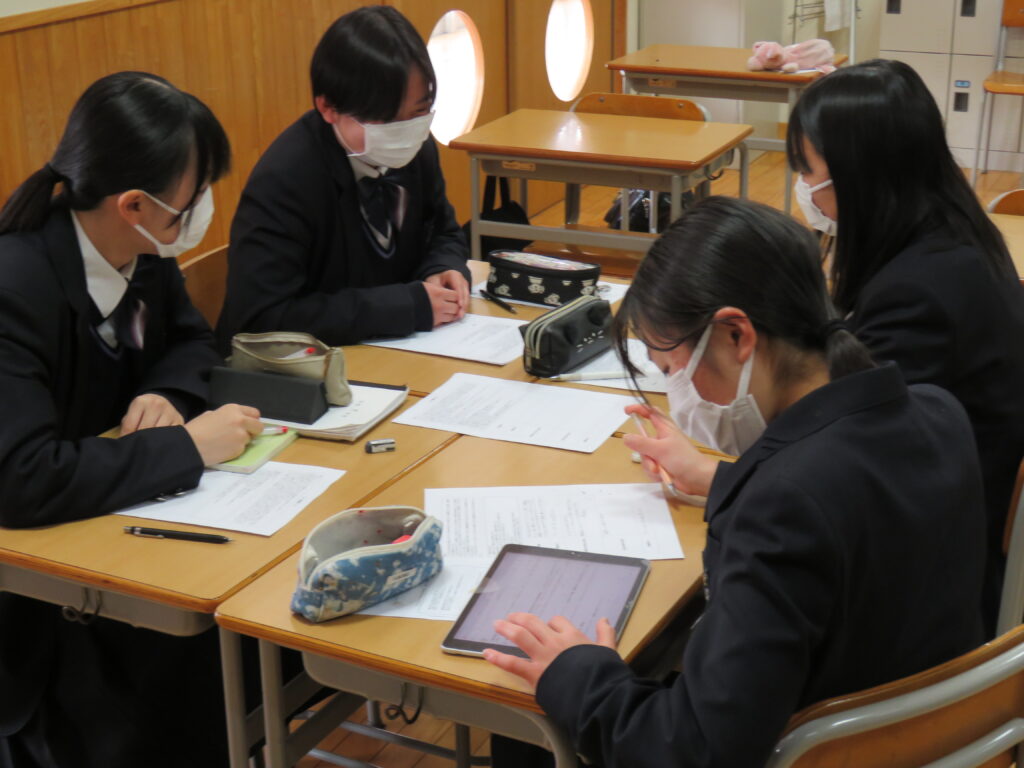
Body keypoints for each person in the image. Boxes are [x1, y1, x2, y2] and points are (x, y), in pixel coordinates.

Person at [485, 197, 986, 768]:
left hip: (818, 750)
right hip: (932, 739)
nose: (676, 392)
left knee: (532, 720)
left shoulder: (782, 505)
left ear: (735, 335)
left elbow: (694, 751)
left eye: (671, 367)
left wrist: (578, 674)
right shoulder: (938, 413)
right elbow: (843, 516)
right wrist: (727, 481)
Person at [0, 71, 261, 768]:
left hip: (120, 532)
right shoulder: (15, 286)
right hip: (42, 600)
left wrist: (169, 393)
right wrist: (187, 448)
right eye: (193, 199)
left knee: (246, 632)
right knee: (196, 670)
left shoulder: (143, 252)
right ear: (135, 205)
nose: (200, 211)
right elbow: (21, 479)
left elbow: (193, 342)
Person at [787, 58, 1024, 634]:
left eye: (809, 171)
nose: (804, 189)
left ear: (860, 175)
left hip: (944, 569)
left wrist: (719, 476)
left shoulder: (918, 291)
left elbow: (844, 451)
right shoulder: (949, 233)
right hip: (956, 513)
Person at [217, 5, 470, 349]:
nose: (405, 131)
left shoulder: (417, 146)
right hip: (305, 366)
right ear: (328, 108)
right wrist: (404, 306)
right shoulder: (286, 180)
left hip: (398, 353)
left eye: (419, 111)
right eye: (386, 119)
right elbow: (264, 318)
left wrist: (443, 267)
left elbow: (443, 230)